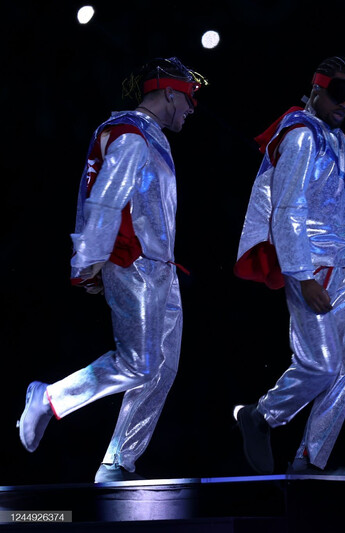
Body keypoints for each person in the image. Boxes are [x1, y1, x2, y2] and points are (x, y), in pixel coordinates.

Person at [17, 57, 206, 483]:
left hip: (161, 266)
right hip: (134, 262)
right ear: (170, 93)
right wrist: (88, 262)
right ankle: (49, 397)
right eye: (190, 98)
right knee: (139, 364)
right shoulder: (132, 136)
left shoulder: (150, 137)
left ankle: (117, 461)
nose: (193, 108)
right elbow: (103, 200)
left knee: (162, 369)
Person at [233, 56, 345, 474]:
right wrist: (303, 275)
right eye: (338, 93)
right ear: (315, 90)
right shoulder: (301, 134)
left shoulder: (338, 139)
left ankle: (310, 459)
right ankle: (260, 415)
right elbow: (287, 209)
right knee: (322, 363)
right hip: (313, 264)